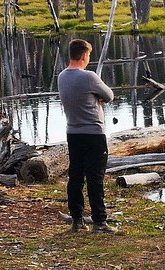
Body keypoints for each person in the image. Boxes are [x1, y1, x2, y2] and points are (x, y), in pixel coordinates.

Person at [58, 39, 116, 233]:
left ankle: (77, 219)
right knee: (95, 178)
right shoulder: (89, 77)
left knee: (75, 176)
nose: (89, 59)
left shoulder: (62, 77)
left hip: (73, 133)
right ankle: (99, 221)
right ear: (84, 55)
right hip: (93, 134)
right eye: (89, 55)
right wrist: (96, 97)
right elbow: (109, 95)